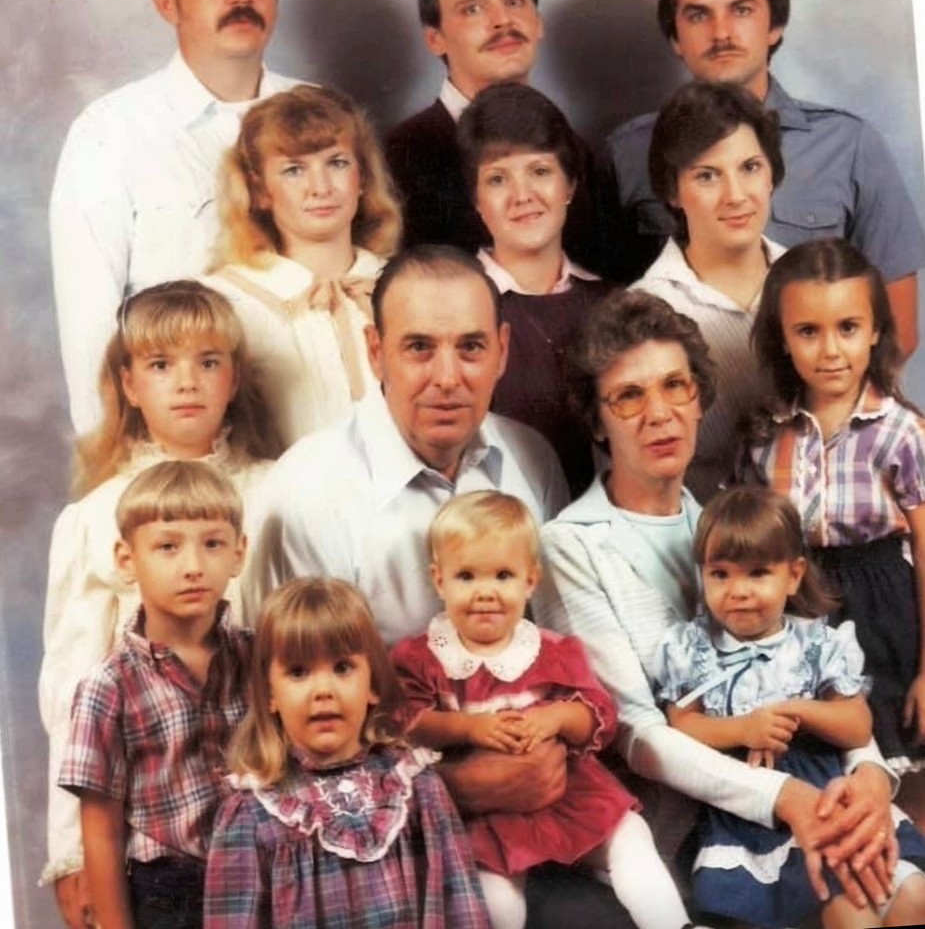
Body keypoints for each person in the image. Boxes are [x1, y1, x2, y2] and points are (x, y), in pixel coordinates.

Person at [532, 287, 902, 917]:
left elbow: (815, 662)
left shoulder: (730, 524)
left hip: (810, 786)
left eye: (676, 386)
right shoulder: (570, 546)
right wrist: (785, 798)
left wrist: (869, 774)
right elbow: (635, 734)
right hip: (690, 836)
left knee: (902, 893)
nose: (660, 414)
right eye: (629, 396)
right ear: (596, 421)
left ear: (700, 398)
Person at [39, 280, 276, 929]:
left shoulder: (277, 491)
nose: (187, 382)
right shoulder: (95, 517)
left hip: (266, 819)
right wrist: (72, 853)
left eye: (208, 361)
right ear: (130, 384)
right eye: (161, 364)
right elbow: (70, 698)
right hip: (155, 837)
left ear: (234, 378)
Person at [604, 0, 925, 356]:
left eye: (741, 10)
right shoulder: (626, 153)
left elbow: (897, 329)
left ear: (775, 25)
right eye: (698, 15)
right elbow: (606, 313)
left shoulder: (850, 145)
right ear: (675, 38)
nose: (721, 33)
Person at [392, 491, 699, 929]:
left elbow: (596, 713)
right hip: (486, 812)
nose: (485, 592)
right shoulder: (425, 657)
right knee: (495, 898)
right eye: (466, 576)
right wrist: (468, 728)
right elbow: (408, 724)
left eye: (503, 575)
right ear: (439, 581)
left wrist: (554, 717)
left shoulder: (549, 650)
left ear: (530, 581)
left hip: (568, 792)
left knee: (630, 836)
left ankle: (672, 924)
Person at [50, 0, 301, 434]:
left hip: (313, 423)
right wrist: (116, 461)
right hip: (185, 442)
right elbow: (89, 327)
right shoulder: (111, 131)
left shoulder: (320, 115)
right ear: (167, 1)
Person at [244, 244, 569, 642]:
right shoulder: (303, 492)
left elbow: (560, 642)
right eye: (419, 347)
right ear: (376, 352)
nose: (447, 378)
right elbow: (285, 666)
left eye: (470, 347)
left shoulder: (533, 457)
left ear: (501, 351)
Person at [655, 486, 925, 928]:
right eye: (720, 574)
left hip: (829, 790)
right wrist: (743, 729)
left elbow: (857, 725)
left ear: (794, 575)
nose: (738, 591)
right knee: (848, 907)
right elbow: (681, 724)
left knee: (912, 895)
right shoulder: (695, 648)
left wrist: (795, 710)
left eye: (757, 573)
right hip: (753, 812)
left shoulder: (816, 642)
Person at [203, 576, 491, 928]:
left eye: (342, 668)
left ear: (373, 684)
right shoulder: (250, 815)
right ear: (270, 694)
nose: (323, 690)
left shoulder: (417, 787)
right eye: (299, 672)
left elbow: (462, 909)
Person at [740, 238, 925, 780]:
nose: (830, 350)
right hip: (798, 607)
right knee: (821, 768)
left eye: (847, 328)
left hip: (884, 611)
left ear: (875, 331)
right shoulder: (763, 433)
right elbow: (747, 541)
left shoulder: (902, 432)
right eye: (807, 331)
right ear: (782, 339)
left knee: (895, 763)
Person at [57, 460, 254, 929]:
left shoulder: (261, 659)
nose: (193, 567)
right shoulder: (109, 687)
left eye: (212, 544)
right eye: (168, 546)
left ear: (239, 553)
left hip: (259, 870)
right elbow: (102, 833)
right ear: (127, 561)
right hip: (169, 894)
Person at [385, 0, 603, 274]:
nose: (502, 21)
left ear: (538, 21)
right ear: (435, 39)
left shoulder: (574, 147)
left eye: (514, 2)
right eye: (473, 9)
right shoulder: (401, 154)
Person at [204, 84, 401, 447]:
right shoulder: (225, 301)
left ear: (362, 178)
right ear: (259, 190)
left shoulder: (405, 286)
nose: (320, 187)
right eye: (294, 170)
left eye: (337, 163)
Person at [630, 80, 786, 502]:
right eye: (707, 176)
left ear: (772, 174)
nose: (735, 196)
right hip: (708, 531)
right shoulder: (644, 312)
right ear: (672, 191)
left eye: (750, 167)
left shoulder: (813, 282)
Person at [457, 81, 610, 495]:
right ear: (476, 200)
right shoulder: (455, 310)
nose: (522, 196)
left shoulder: (615, 303)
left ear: (569, 186)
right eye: (498, 179)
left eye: (540, 172)